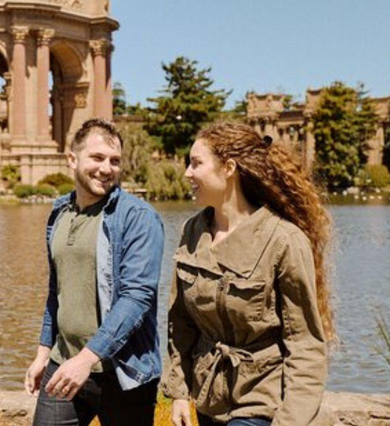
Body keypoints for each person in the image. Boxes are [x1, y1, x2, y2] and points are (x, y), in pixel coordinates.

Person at [164, 121, 333, 426]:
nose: (187, 173)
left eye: (196, 163)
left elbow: (305, 344)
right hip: (209, 400)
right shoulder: (192, 232)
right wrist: (178, 392)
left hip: (263, 401)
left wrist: (290, 420)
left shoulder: (283, 239)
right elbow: (181, 323)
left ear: (228, 168)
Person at [24, 118, 165, 426]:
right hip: (64, 364)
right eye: (97, 158)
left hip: (122, 373)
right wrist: (43, 353)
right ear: (72, 159)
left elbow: (137, 298)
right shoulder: (60, 213)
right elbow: (56, 291)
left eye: (115, 161)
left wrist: (87, 359)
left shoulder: (137, 217)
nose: (107, 168)